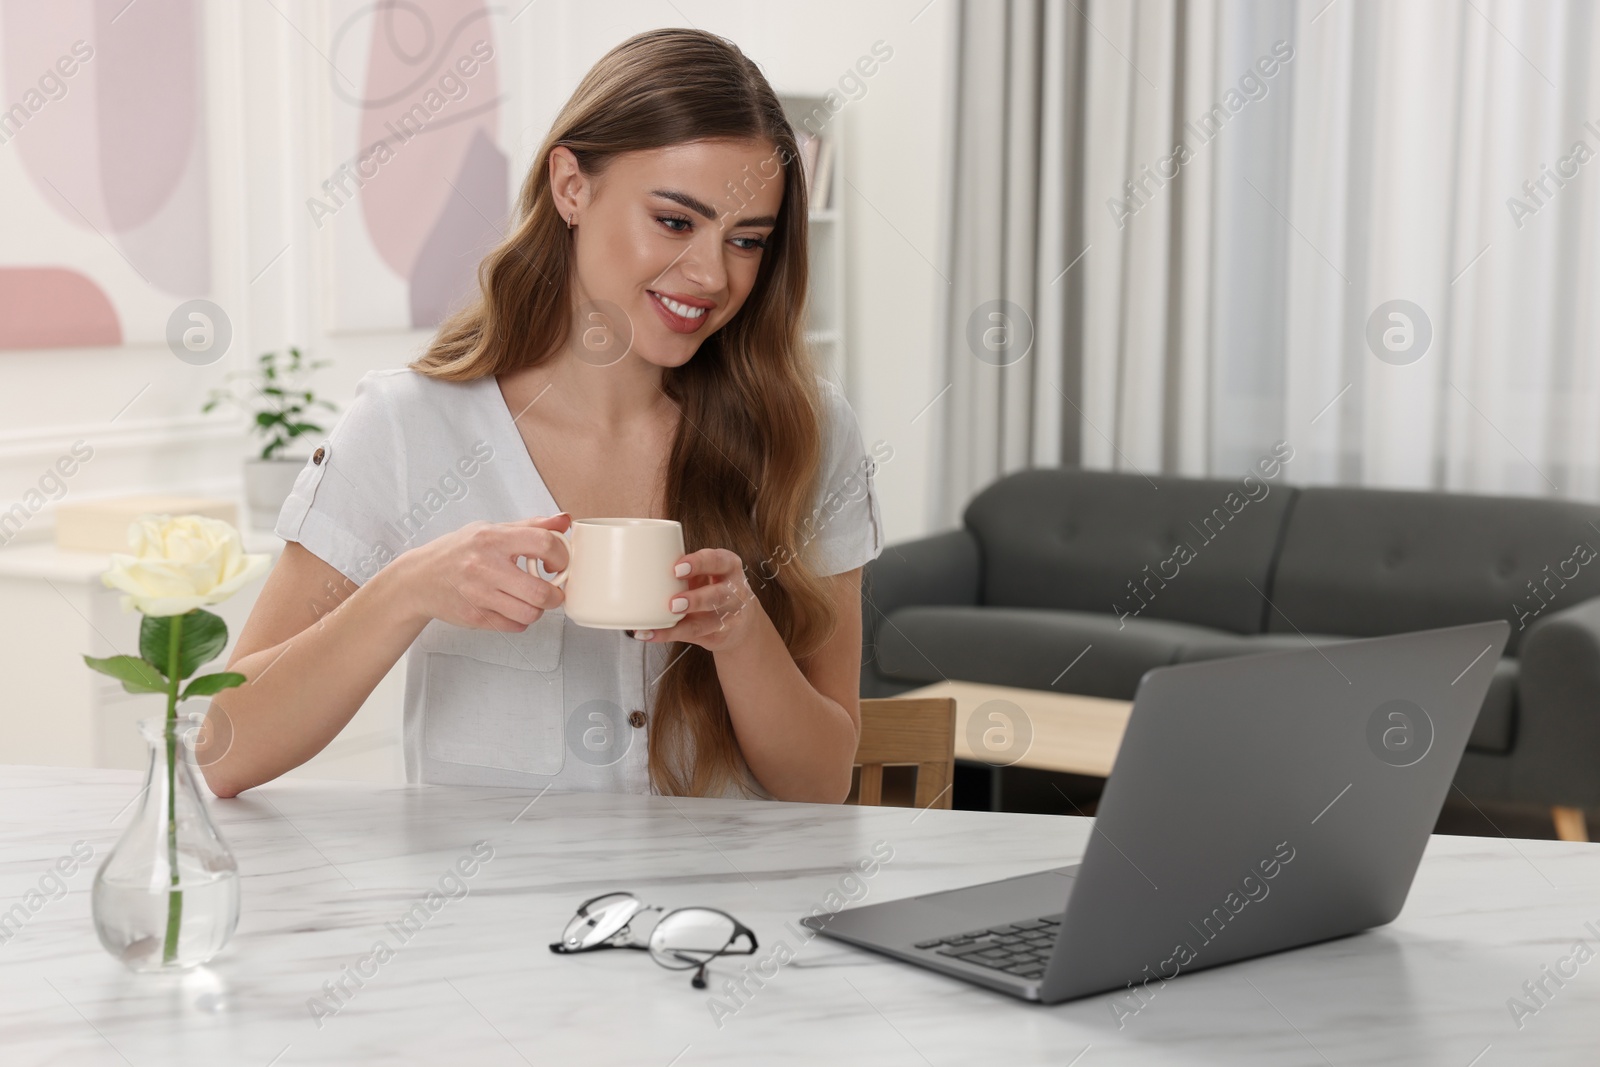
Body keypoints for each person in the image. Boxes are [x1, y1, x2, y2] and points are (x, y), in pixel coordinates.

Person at [197, 28, 884, 803]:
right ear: (572, 186)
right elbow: (223, 748)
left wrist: (740, 633)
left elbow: (824, 786)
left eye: (747, 240)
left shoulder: (808, 433)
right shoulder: (408, 426)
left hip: (717, 923)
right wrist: (407, 590)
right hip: (485, 920)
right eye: (675, 221)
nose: (711, 274)